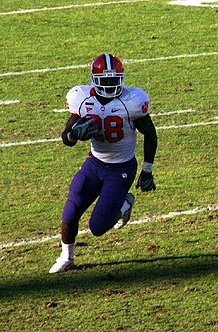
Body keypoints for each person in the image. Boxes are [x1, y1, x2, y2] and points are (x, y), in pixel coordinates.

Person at [49, 53, 157, 273]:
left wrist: (147, 170)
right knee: (70, 211)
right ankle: (66, 257)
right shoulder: (83, 99)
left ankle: (124, 204)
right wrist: (74, 135)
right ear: (94, 80)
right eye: (105, 80)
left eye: (113, 79)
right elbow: (66, 137)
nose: (109, 84)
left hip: (121, 169)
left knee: (97, 227)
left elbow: (151, 134)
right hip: (94, 164)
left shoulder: (132, 102)